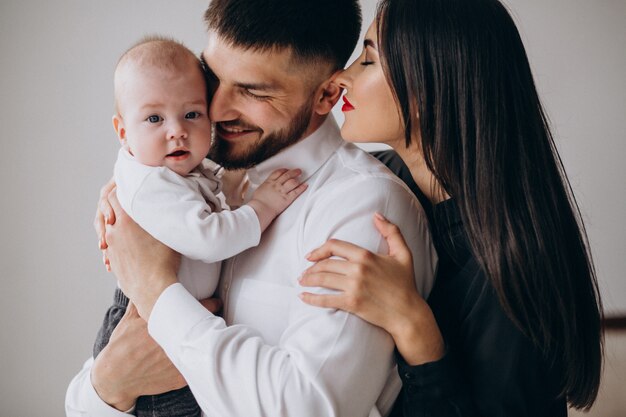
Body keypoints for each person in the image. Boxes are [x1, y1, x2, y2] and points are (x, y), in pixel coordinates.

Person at [65, 1, 437, 416]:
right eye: (213, 77)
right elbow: (84, 402)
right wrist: (109, 384)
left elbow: (309, 407)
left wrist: (155, 290)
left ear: (327, 95)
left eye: (252, 90)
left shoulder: (364, 206)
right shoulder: (194, 177)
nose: (216, 110)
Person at [299, 0, 604, 416]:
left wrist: (414, 326)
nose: (342, 78)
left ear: (430, 87)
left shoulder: (511, 265)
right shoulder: (377, 181)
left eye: (368, 60)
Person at [92, 36, 306, 417]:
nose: (176, 130)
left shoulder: (180, 170)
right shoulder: (151, 184)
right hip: (146, 325)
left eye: (192, 114)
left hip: (175, 318)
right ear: (123, 131)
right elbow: (209, 239)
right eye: (154, 118)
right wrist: (263, 206)